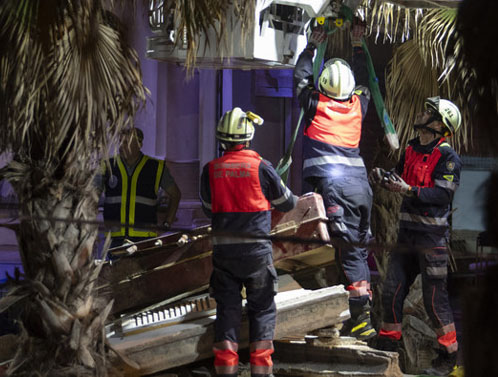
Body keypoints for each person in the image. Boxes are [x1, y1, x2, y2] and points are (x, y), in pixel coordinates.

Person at [293, 21, 376, 340]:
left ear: (324, 86)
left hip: (335, 190)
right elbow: (366, 80)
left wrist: (312, 45)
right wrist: (358, 44)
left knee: (348, 253)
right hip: (361, 189)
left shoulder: (315, 105)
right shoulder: (359, 105)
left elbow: (300, 77)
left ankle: (360, 318)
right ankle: (357, 311)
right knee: (356, 247)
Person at [199, 107, 297, 377]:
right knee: (263, 309)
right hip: (256, 254)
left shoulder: (210, 170)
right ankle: (260, 371)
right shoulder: (262, 167)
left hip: (223, 256)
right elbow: (287, 203)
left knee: (227, 311)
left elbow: (209, 209)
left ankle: (226, 370)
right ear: (249, 136)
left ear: (221, 139)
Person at [370, 96, 462, 376]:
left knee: (435, 301)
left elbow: (441, 194)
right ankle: (388, 342)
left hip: (431, 240)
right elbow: (399, 177)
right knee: (392, 289)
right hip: (405, 236)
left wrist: (408, 191)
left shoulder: (448, 158)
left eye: (428, 113)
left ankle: (448, 356)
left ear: (439, 124)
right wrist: (384, 178)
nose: (421, 114)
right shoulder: (411, 148)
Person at [101, 127, 181, 249]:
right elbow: (91, 194)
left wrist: (166, 224)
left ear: (139, 145)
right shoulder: (108, 166)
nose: (121, 146)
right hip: (114, 239)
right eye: (120, 142)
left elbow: (175, 195)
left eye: (126, 142)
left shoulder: (155, 167)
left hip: (144, 239)